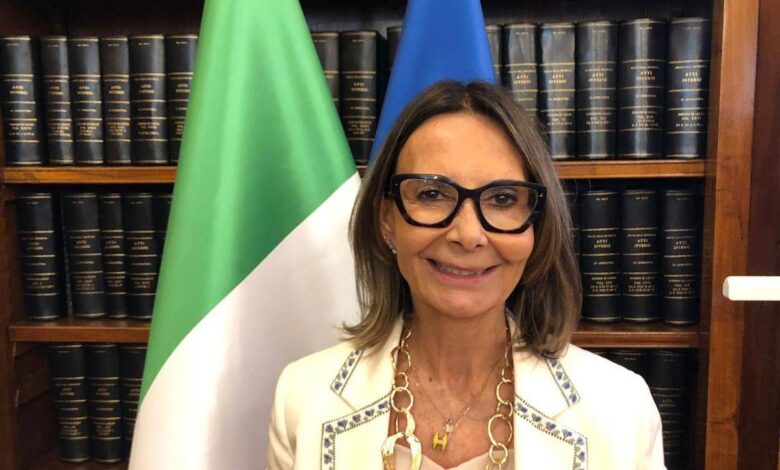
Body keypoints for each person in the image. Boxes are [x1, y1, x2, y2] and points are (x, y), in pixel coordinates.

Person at [267, 81, 664, 470]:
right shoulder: (303, 398)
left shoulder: (621, 409)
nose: (468, 235)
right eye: (431, 194)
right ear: (386, 219)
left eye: (503, 199)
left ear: (537, 226)